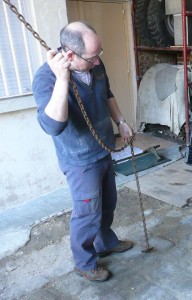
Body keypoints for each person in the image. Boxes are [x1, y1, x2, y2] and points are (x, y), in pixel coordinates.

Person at [32, 21, 134, 282]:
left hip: (102, 149)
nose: (98, 62)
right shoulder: (46, 78)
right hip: (79, 160)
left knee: (108, 204)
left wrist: (121, 122)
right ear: (69, 55)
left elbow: (108, 95)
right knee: (87, 213)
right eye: (92, 58)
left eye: (98, 54)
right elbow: (53, 125)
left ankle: (105, 243)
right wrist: (63, 79)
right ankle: (84, 262)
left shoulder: (96, 66)